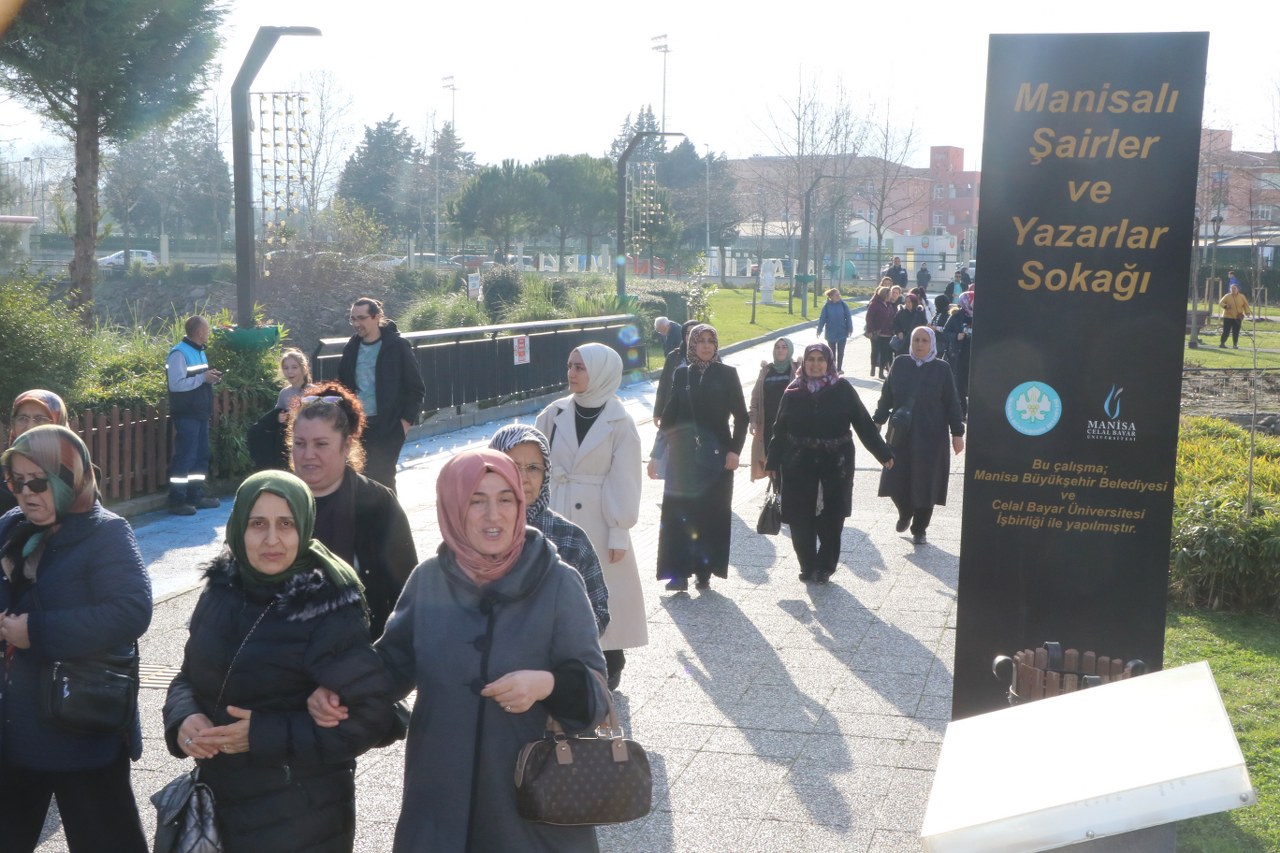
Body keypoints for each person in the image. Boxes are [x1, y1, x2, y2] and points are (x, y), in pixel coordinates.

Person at [311, 449, 610, 852]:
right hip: (440, 797)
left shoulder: (558, 582)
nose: (494, 515)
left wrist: (547, 685)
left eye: (506, 499)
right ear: (452, 507)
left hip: (530, 806)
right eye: (476, 501)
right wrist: (338, 688)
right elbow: (392, 665)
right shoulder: (429, 580)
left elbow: (595, 694)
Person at [163, 470, 393, 853]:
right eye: (258, 524)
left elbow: (372, 716)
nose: (272, 539)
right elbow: (188, 676)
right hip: (221, 810)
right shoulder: (221, 590)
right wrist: (183, 720)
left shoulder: (327, 604)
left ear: (303, 526)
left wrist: (261, 734)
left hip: (302, 822)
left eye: (286, 524)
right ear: (238, 528)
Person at [0, 425, 152, 852]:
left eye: (38, 481)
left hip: (84, 727)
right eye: (16, 481)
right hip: (17, 727)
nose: (26, 493)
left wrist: (36, 631)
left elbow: (130, 612)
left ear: (69, 477)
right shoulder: (12, 526)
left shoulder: (105, 532)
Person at [535, 344, 644, 691]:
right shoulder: (553, 413)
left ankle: (612, 660)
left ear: (599, 371)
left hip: (599, 516)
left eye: (580, 367)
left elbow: (625, 480)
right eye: (570, 366)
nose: (572, 373)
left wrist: (619, 532)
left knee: (604, 590)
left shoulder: (620, 422)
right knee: (556, 588)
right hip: (555, 511)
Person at [289, 383, 416, 638]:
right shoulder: (273, 502)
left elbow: (408, 597)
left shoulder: (378, 504)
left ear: (346, 446)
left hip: (362, 653)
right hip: (282, 657)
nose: (308, 454)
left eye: (321, 444)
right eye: (300, 443)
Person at [765, 343, 894, 583]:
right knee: (800, 518)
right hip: (799, 464)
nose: (815, 364)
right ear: (803, 363)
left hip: (837, 464)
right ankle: (807, 564)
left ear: (829, 362)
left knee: (832, 519)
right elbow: (779, 431)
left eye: (820, 359)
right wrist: (772, 461)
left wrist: (883, 453)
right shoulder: (793, 391)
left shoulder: (842, 389)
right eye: (810, 359)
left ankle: (825, 566)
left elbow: (863, 424)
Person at [648, 324, 748, 591]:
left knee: (710, 514)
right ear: (691, 345)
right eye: (700, 341)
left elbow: (742, 417)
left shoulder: (727, 374)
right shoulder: (682, 375)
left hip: (717, 458)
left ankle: (704, 570)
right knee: (678, 513)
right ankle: (678, 573)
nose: (706, 346)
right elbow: (669, 417)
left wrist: (734, 451)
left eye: (710, 341)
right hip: (682, 455)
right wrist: (656, 455)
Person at [489, 424, 610, 636]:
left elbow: (598, 611)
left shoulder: (570, 538)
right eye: (514, 467)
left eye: (534, 468)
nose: (524, 478)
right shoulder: (475, 534)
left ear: (546, 475)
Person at [874, 327, 966, 545]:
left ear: (931, 343)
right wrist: (877, 421)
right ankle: (905, 511)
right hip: (901, 433)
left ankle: (919, 528)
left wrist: (958, 433)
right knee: (894, 475)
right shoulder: (900, 363)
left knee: (928, 481)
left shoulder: (941, 368)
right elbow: (886, 395)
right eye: (916, 339)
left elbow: (952, 402)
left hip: (931, 435)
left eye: (925, 340)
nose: (920, 344)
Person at [336, 297, 426, 493]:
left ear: (376, 317)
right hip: (358, 425)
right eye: (352, 319)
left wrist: (404, 424)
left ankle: (391, 521)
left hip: (388, 427)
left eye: (361, 318)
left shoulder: (397, 346)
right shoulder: (351, 348)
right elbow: (342, 387)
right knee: (359, 479)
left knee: (383, 479)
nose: (356, 324)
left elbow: (416, 388)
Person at [167, 315, 223, 515]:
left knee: (201, 456)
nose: (208, 332)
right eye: (207, 329)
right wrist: (202, 378)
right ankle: (177, 501)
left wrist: (208, 378)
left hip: (199, 412)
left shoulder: (198, 351)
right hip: (187, 413)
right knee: (185, 457)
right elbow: (176, 384)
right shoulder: (179, 354)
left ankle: (195, 496)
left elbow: (197, 379)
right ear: (200, 332)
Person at [0, 389, 68, 515]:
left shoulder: (76, 472)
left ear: (58, 423)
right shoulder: (3, 469)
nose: (30, 426)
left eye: (40, 419)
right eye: (22, 418)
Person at [248, 348, 313, 471]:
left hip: (307, 439)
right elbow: (276, 415)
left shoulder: (312, 391)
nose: (290, 372)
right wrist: (279, 418)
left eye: (294, 367)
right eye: (286, 368)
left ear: (303, 368)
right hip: (288, 442)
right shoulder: (284, 392)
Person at [749, 337, 797, 481]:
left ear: (789, 350)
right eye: (777, 347)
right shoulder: (766, 371)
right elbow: (756, 397)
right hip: (769, 425)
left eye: (784, 347)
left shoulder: (796, 369)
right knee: (771, 463)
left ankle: (786, 495)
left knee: (789, 463)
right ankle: (777, 494)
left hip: (790, 426)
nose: (780, 350)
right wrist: (752, 420)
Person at [652, 319, 700, 428]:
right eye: (688, 333)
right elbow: (663, 385)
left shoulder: (711, 356)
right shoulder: (673, 356)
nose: (691, 336)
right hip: (675, 414)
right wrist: (657, 412)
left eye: (695, 332)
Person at [941, 306, 973, 417]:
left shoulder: (982, 314)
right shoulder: (956, 316)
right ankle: (962, 411)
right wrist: (955, 336)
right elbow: (945, 332)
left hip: (976, 356)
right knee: (960, 384)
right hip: (959, 355)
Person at [816, 287, 854, 373]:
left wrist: (850, 328)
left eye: (839, 294)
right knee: (832, 352)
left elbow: (848, 317)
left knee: (841, 352)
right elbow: (822, 319)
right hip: (831, 333)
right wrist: (819, 330)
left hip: (842, 332)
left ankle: (839, 368)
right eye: (836, 295)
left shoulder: (843, 305)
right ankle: (832, 369)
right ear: (831, 296)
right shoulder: (826, 306)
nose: (839, 296)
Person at [866, 282, 897, 380]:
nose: (890, 296)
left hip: (888, 333)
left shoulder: (889, 305)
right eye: (889, 294)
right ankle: (872, 367)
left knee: (885, 353)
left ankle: (881, 372)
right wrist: (870, 330)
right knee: (875, 351)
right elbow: (869, 318)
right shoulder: (875, 304)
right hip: (877, 333)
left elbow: (893, 317)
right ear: (884, 295)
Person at [1220, 281, 1250, 349]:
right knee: (1226, 331)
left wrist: (1247, 312)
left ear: (1237, 289)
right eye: (1232, 288)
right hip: (1228, 316)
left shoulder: (1242, 297)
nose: (1233, 290)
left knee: (1236, 332)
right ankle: (1222, 343)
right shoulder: (1227, 296)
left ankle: (1235, 344)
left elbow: (1245, 305)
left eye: (1234, 288)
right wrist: (1226, 306)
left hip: (1237, 317)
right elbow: (1220, 303)